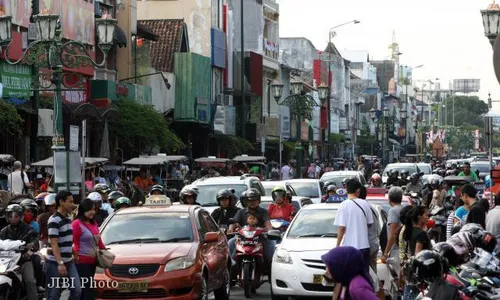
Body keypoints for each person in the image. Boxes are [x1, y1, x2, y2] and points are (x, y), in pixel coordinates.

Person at [46, 191, 81, 300]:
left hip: (69, 261)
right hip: (54, 263)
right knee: (53, 294)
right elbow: (54, 243)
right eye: (70, 201)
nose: (73, 204)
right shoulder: (54, 220)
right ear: (61, 202)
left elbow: (66, 241)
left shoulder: (68, 219)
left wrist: (74, 253)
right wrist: (60, 264)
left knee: (77, 290)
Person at [0, 204, 40, 300]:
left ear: (21, 216)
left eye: (16, 216)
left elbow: (35, 242)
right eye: (10, 216)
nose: (13, 219)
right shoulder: (3, 231)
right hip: (6, 262)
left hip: (23, 261)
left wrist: (31, 246)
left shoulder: (28, 229)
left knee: (30, 281)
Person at [335, 178, 374, 272]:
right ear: (358, 191)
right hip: (364, 246)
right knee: (363, 275)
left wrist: (337, 246)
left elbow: (341, 228)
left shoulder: (343, 205)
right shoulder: (365, 204)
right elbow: (369, 223)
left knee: (349, 275)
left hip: (348, 248)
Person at [228, 189, 273, 267]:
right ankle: (230, 272)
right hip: (242, 239)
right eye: (249, 200)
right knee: (230, 243)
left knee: (269, 256)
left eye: (254, 200)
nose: (252, 202)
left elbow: (267, 223)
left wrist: (270, 231)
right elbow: (234, 223)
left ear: (258, 200)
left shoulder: (264, 212)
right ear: (246, 201)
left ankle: (269, 273)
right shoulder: (240, 212)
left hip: (260, 238)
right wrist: (230, 229)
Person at [72, 198, 106, 300]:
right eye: (89, 210)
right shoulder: (76, 224)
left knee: (88, 290)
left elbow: (99, 241)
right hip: (81, 262)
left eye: (93, 209)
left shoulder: (93, 223)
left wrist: (105, 252)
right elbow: (69, 242)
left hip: (93, 262)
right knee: (87, 292)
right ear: (82, 210)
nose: (92, 212)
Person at [381, 186, 404, 279]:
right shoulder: (403, 208)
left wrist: (385, 253)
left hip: (396, 249)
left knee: (398, 277)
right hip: (403, 248)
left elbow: (393, 233)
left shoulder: (393, 211)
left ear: (389, 198)